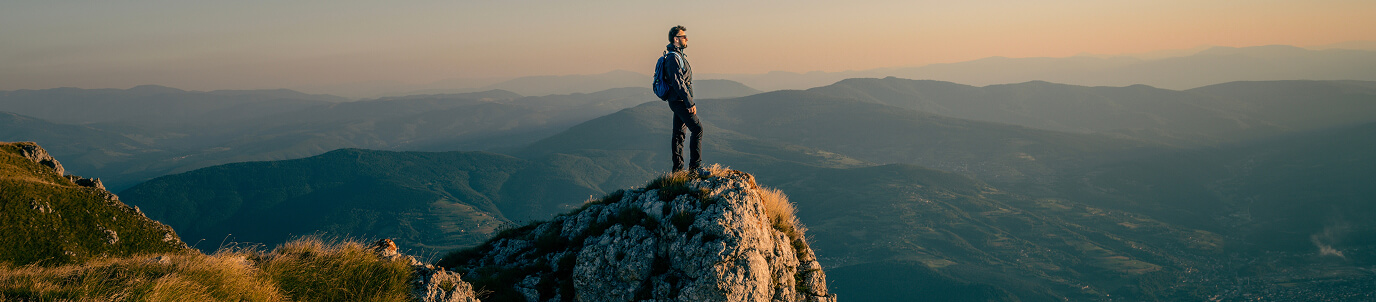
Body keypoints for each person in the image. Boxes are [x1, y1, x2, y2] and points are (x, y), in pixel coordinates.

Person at [662, 25, 702, 172]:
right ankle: (695, 168)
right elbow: (679, 83)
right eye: (683, 36)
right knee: (697, 129)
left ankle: (678, 171)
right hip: (679, 101)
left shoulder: (677, 56)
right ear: (676, 39)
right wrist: (689, 102)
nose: (686, 39)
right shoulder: (673, 58)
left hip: (677, 100)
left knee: (679, 134)